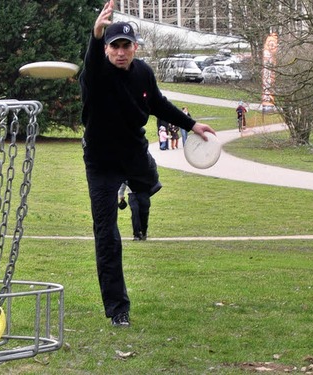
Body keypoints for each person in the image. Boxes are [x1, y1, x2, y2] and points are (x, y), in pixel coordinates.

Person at [79, 0, 216, 327]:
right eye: (115, 47)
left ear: (135, 48)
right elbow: (92, 62)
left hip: (134, 153)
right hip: (101, 162)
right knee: (106, 234)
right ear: (108, 49)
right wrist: (96, 36)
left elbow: (158, 104)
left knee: (149, 184)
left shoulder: (143, 73)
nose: (121, 52)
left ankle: (133, 188)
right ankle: (118, 310)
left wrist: (192, 125)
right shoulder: (96, 75)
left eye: (126, 46)